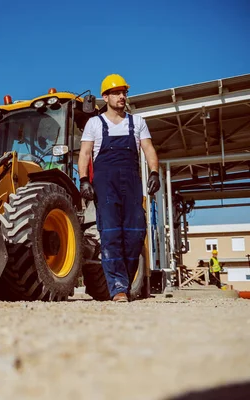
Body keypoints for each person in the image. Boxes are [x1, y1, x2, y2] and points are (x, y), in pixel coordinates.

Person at [78, 74, 160, 302]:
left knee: (135, 234)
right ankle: (118, 289)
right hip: (105, 186)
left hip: (132, 184)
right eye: (116, 93)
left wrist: (154, 172)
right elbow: (84, 153)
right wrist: (84, 179)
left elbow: (149, 149)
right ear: (105, 97)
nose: (122, 96)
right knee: (111, 234)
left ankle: (125, 280)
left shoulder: (137, 122)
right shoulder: (94, 123)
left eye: (124, 92)